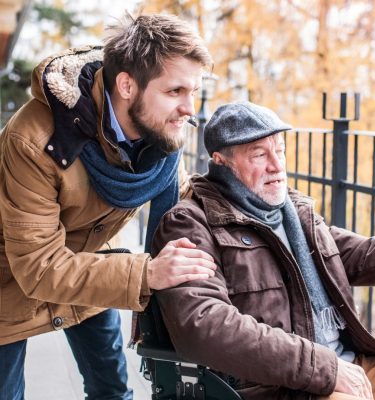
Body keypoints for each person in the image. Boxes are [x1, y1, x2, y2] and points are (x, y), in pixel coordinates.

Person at [152, 101, 375, 400]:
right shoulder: (190, 222)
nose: (277, 165)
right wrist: (324, 369)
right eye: (259, 154)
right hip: (282, 386)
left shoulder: (295, 215)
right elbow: (206, 326)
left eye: (279, 150)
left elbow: (371, 256)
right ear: (221, 161)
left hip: (351, 363)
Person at [0, 14, 218, 400]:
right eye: (175, 91)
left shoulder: (159, 137)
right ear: (127, 85)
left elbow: (181, 200)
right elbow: (38, 266)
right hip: (9, 280)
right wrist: (147, 273)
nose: (190, 108)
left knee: (114, 392)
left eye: (194, 91)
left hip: (83, 260)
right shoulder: (33, 141)